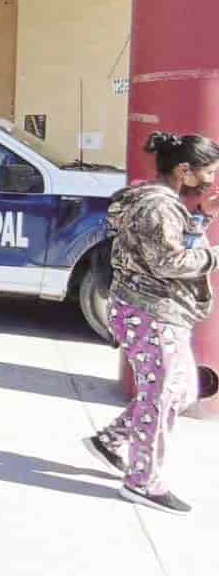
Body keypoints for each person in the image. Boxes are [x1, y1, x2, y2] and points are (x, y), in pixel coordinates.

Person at [85, 130, 219, 514]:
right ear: (184, 170)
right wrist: (215, 256)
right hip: (150, 313)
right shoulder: (158, 207)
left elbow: (170, 247)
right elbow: (169, 262)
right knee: (160, 397)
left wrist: (203, 217)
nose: (211, 180)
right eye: (207, 172)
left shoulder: (162, 202)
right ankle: (143, 482)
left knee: (178, 391)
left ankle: (110, 440)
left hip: (156, 311)